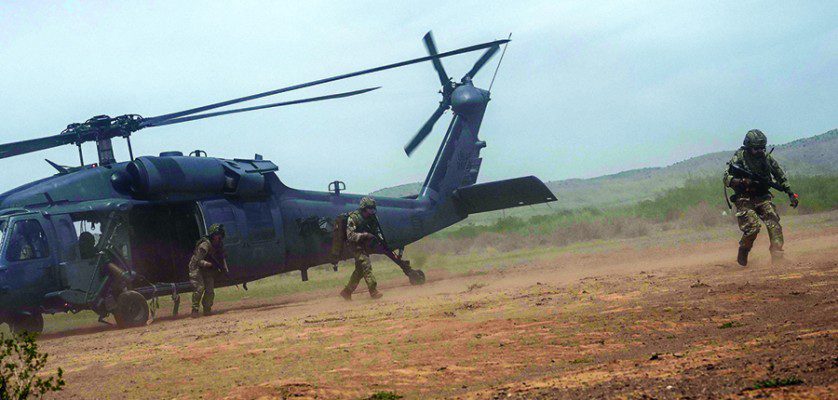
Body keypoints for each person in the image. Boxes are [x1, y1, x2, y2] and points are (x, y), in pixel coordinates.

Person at [723, 129, 798, 266]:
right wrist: (742, 182)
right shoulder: (738, 158)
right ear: (748, 146)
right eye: (756, 148)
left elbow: (780, 175)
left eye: (762, 148)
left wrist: (790, 193)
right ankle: (744, 249)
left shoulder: (766, 159)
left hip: (762, 196)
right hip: (744, 198)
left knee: (773, 221)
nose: (759, 151)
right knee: (753, 227)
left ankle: (778, 257)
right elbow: (726, 179)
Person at [339, 197, 383, 300]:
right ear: (364, 208)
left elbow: (377, 230)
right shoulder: (353, 218)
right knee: (366, 266)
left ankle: (347, 292)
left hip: (364, 245)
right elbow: (350, 236)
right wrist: (365, 235)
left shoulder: (372, 217)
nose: (371, 210)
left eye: (373, 208)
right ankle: (373, 291)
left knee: (360, 270)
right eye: (369, 208)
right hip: (355, 245)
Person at [188, 223, 228, 317]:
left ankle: (207, 308)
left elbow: (222, 257)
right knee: (200, 288)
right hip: (196, 267)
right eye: (217, 235)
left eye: (220, 235)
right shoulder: (205, 245)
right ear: (213, 235)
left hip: (208, 268)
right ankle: (195, 309)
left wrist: (224, 268)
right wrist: (208, 264)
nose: (219, 237)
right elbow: (198, 260)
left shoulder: (219, 244)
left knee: (210, 289)